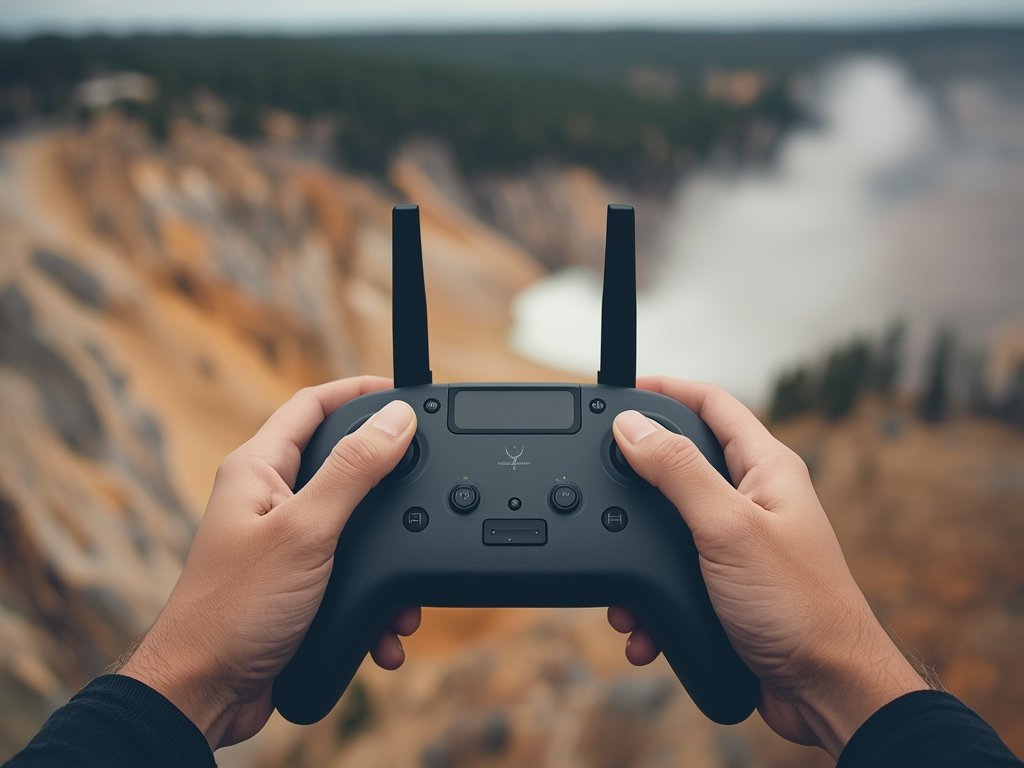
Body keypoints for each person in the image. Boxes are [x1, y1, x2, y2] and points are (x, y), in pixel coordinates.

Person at [4, 375, 1021, 767]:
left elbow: (303, 693)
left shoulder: (360, 429)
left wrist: (188, 679)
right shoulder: (664, 428)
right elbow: (727, 692)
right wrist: (846, 676)